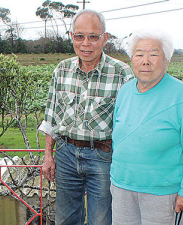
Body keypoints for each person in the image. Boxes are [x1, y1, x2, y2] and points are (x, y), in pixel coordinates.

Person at [38, 9, 133, 225]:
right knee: (65, 219)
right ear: (72, 37)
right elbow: (52, 117)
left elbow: (129, 124)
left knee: (101, 220)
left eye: (93, 36)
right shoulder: (62, 70)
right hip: (65, 154)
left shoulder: (122, 73)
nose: (86, 43)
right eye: (79, 36)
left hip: (103, 156)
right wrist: (48, 155)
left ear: (105, 38)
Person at [110, 29, 183, 225]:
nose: (145, 61)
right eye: (139, 54)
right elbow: (119, 135)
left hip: (163, 194)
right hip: (122, 188)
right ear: (132, 60)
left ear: (167, 60)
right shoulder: (125, 91)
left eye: (153, 54)